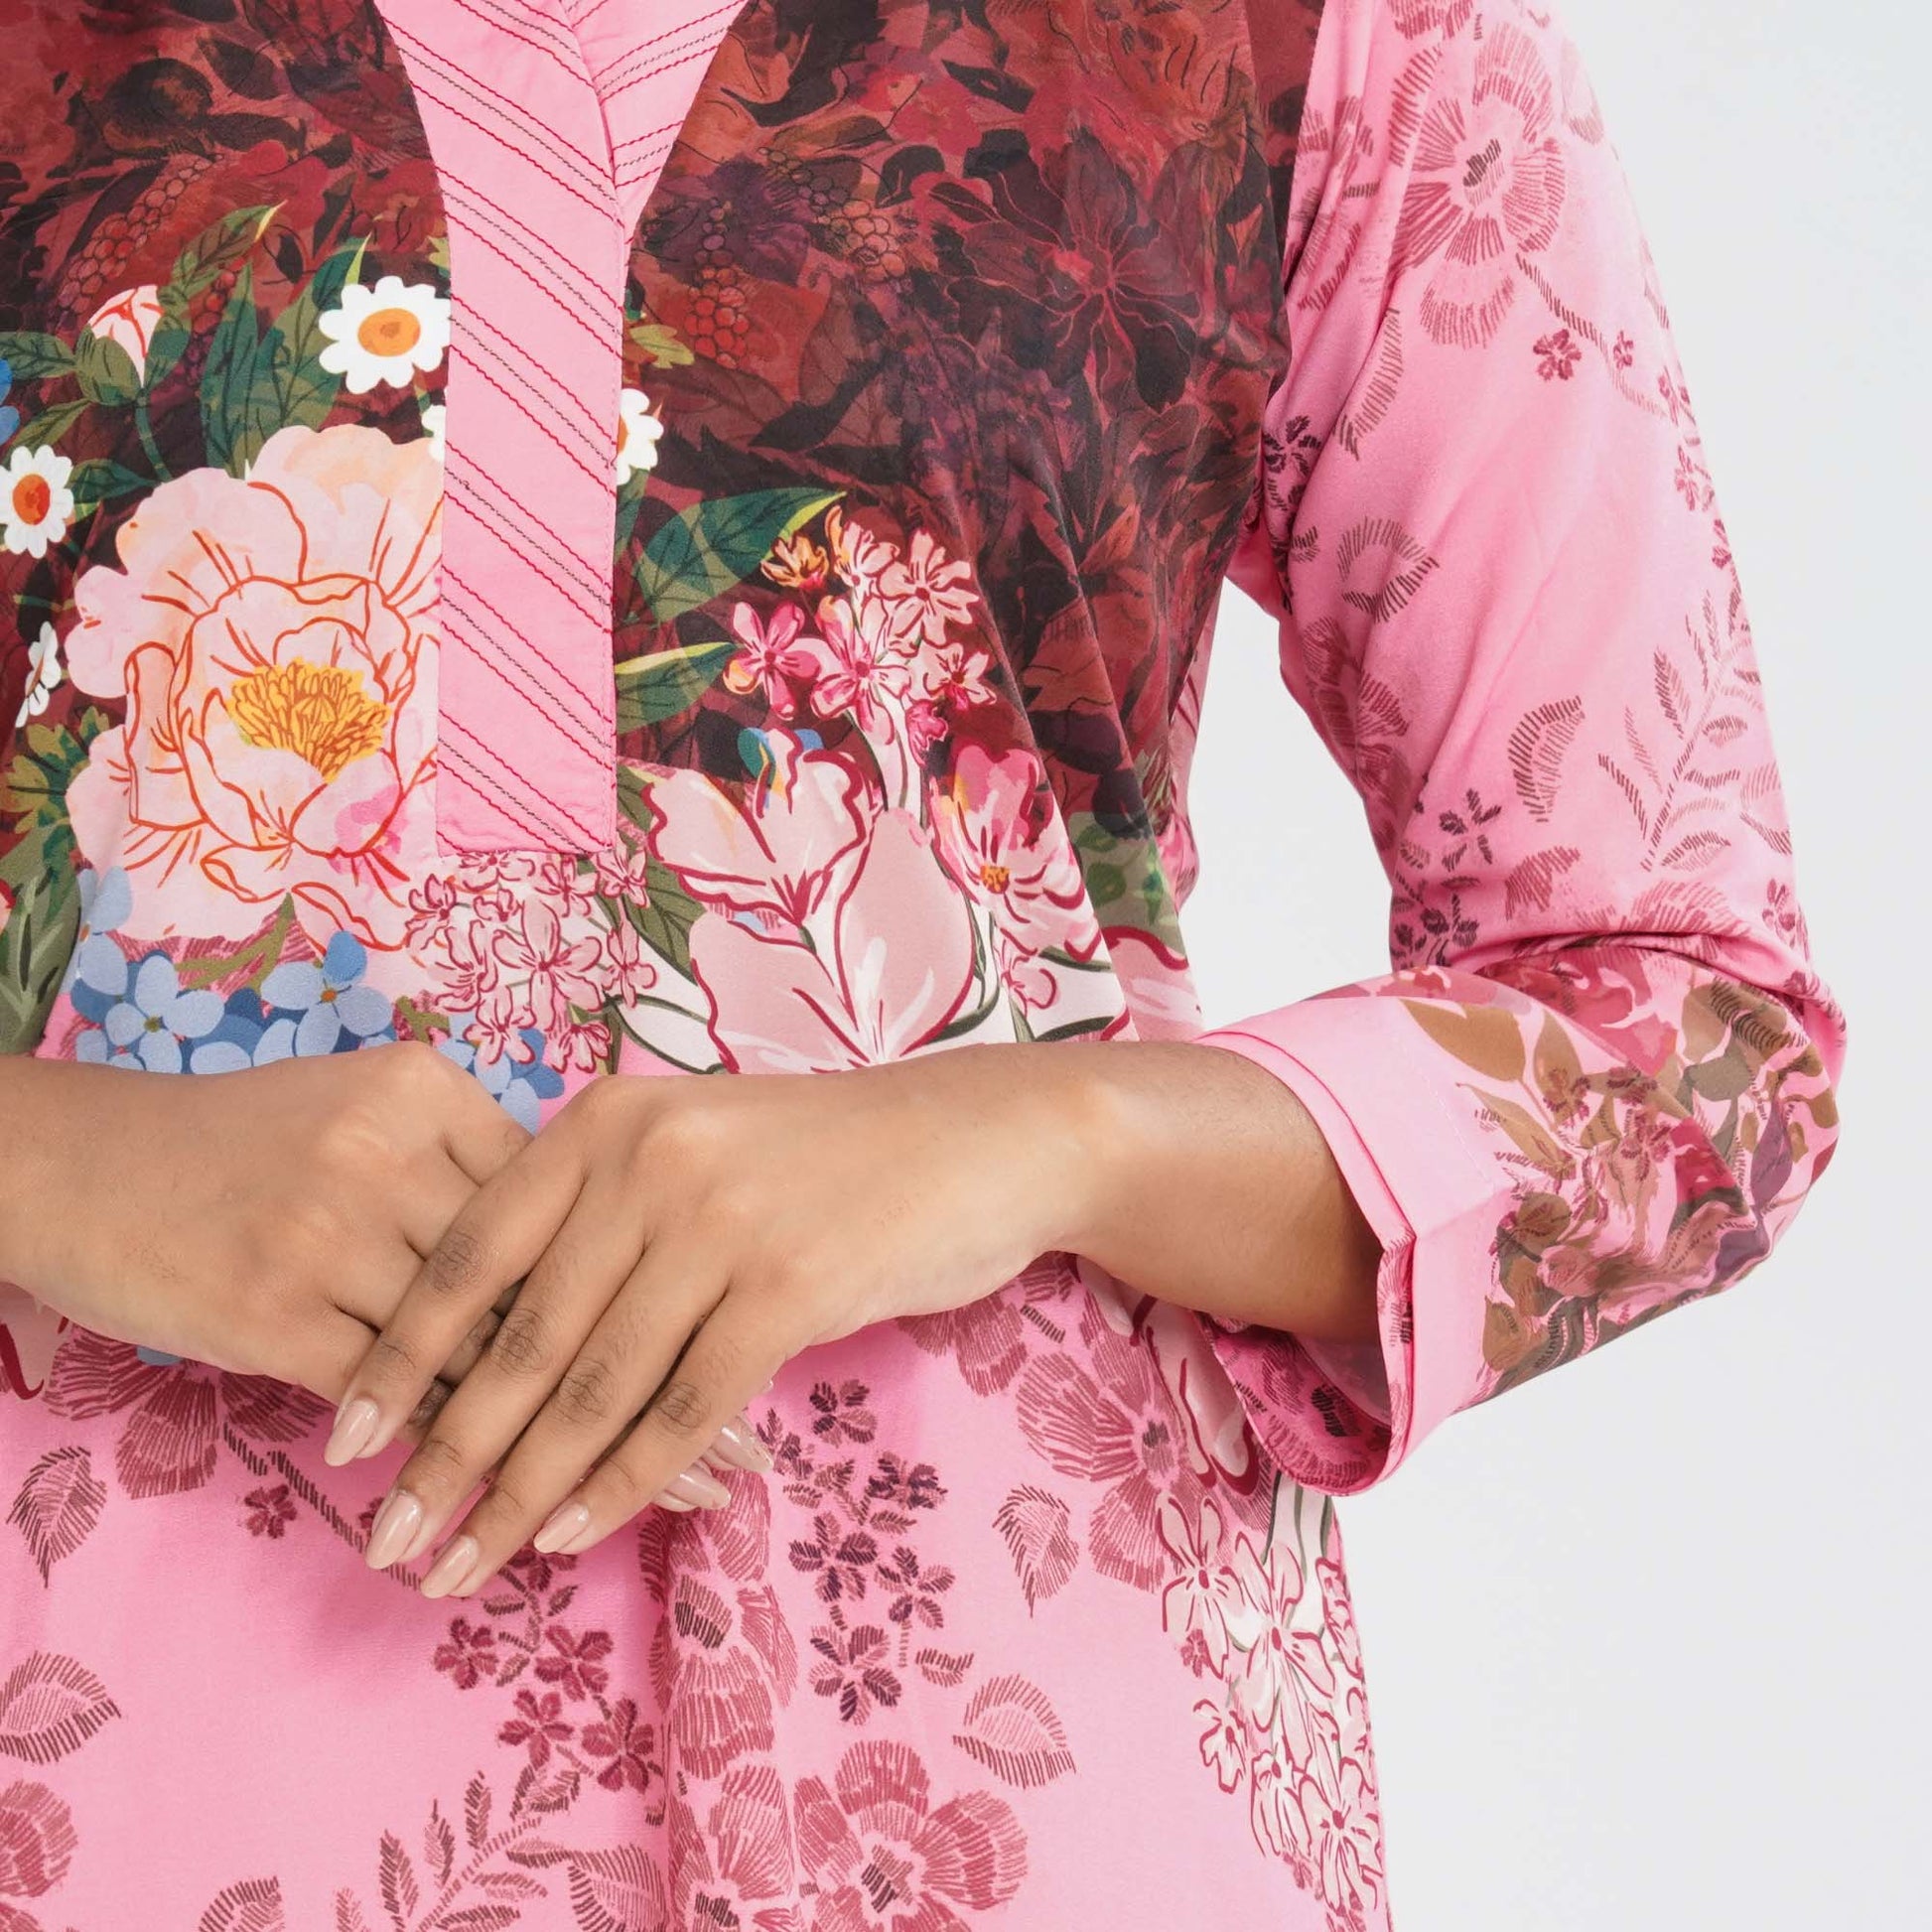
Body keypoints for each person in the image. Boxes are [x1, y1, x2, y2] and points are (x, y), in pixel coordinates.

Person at [0, 0, 1844, 1924]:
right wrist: (50, 1159)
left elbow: (1698, 1030)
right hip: (105, 1748)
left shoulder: (1309, 38)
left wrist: (1045, 1137)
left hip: (1006, 1736)